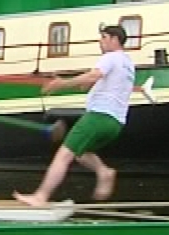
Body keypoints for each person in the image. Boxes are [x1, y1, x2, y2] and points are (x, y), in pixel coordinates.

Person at [14, 25, 135, 206]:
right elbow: (106, 84)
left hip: (98, 117)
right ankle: (103, 171)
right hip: (115, 123)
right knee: (80, 153)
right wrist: (86, 85)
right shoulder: (128, 63)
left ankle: (40, 197)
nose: (100, 42)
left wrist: (61, 84)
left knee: (64, 154)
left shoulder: (110, 58)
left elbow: (94, 75)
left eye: (103, 37)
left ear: (114, 39)